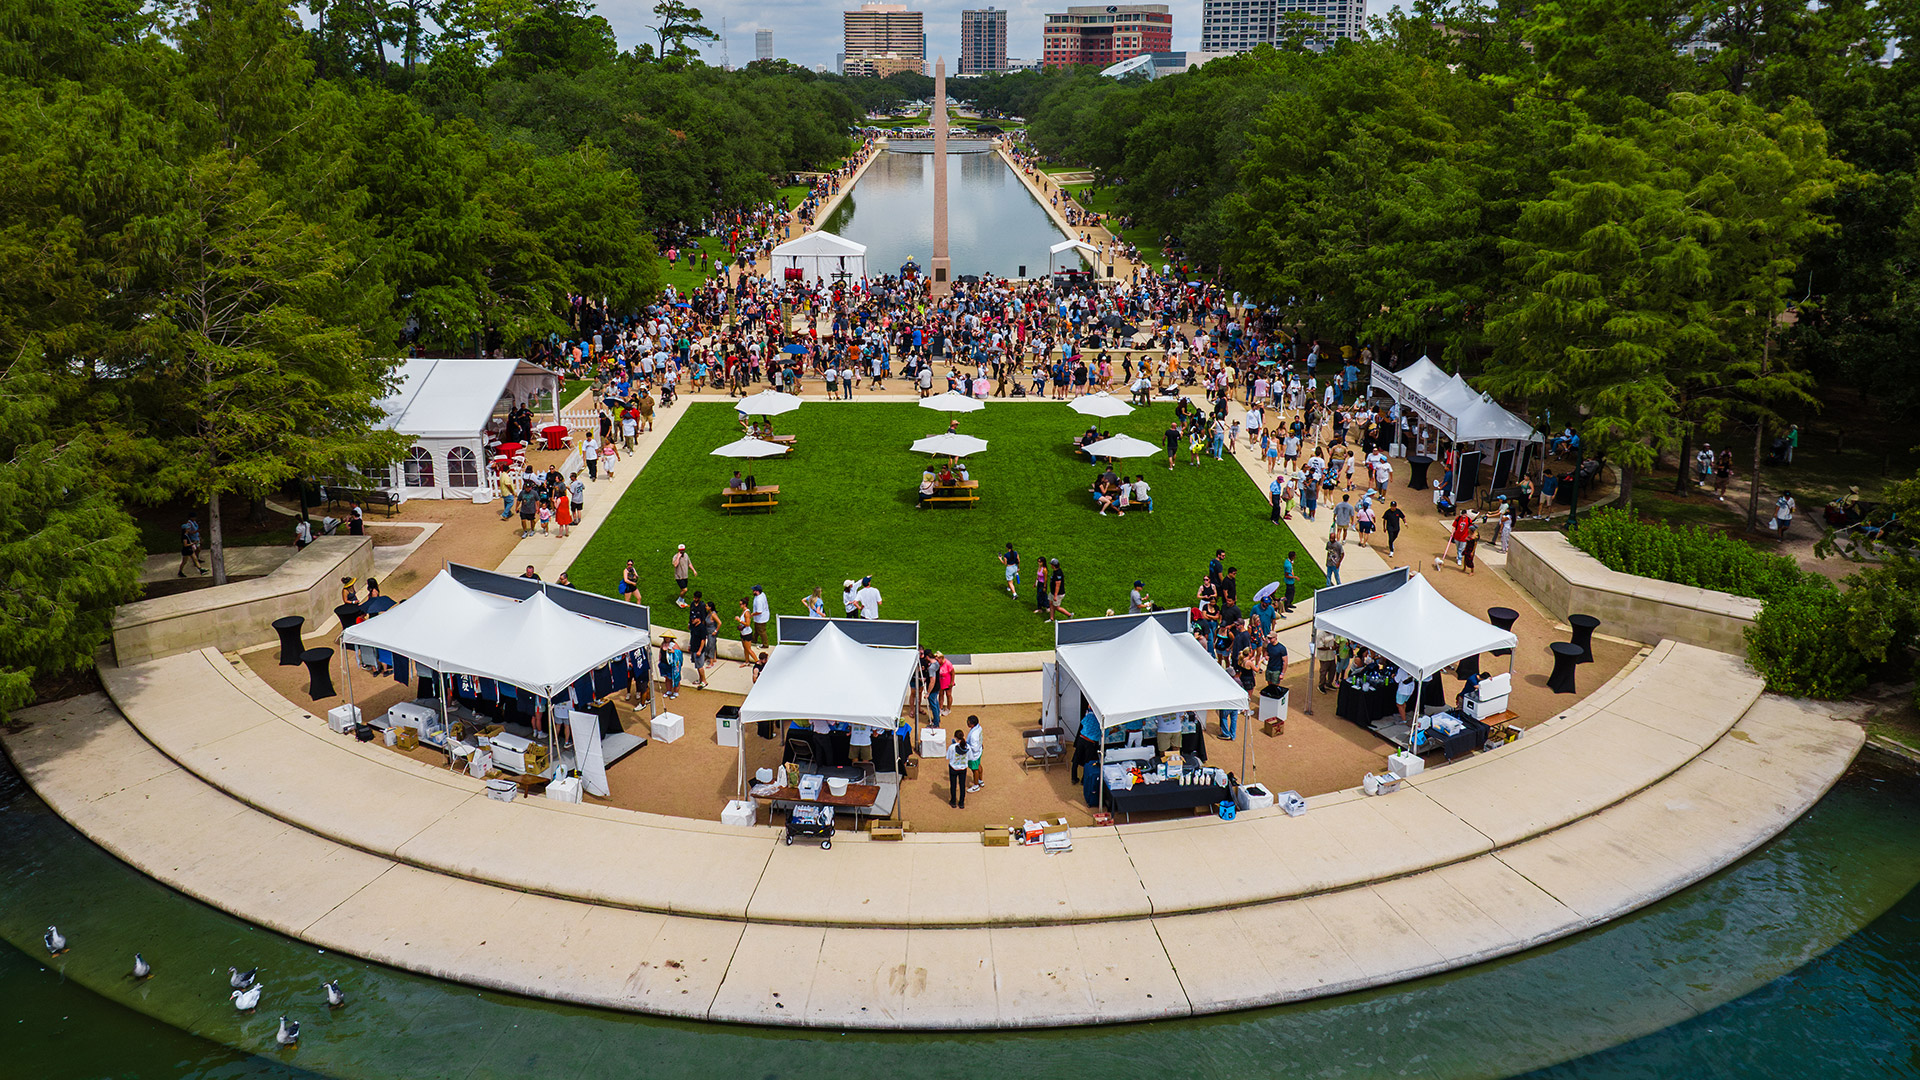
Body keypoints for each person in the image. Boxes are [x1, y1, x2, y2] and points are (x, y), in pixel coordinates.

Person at [946, 725, 970, 808]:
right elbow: (969, 757)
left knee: (953, 785)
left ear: (955, 737)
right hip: (963, 768)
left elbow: (948, 757)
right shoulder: (967, 747)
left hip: (953, 768)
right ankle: (961, 802)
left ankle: (953, 802)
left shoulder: (952, 747)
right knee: (962, 785)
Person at [965, 714, 984, 792]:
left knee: (974, 769)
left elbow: (974, 748)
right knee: (978, 764)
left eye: (968, 723)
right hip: (979, 751)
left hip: (974, 755)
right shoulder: (979, 728)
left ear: (972, 724)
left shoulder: (973, 735)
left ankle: (976, 786)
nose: (967, 723)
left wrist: (967, 747)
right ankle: (980, 780)